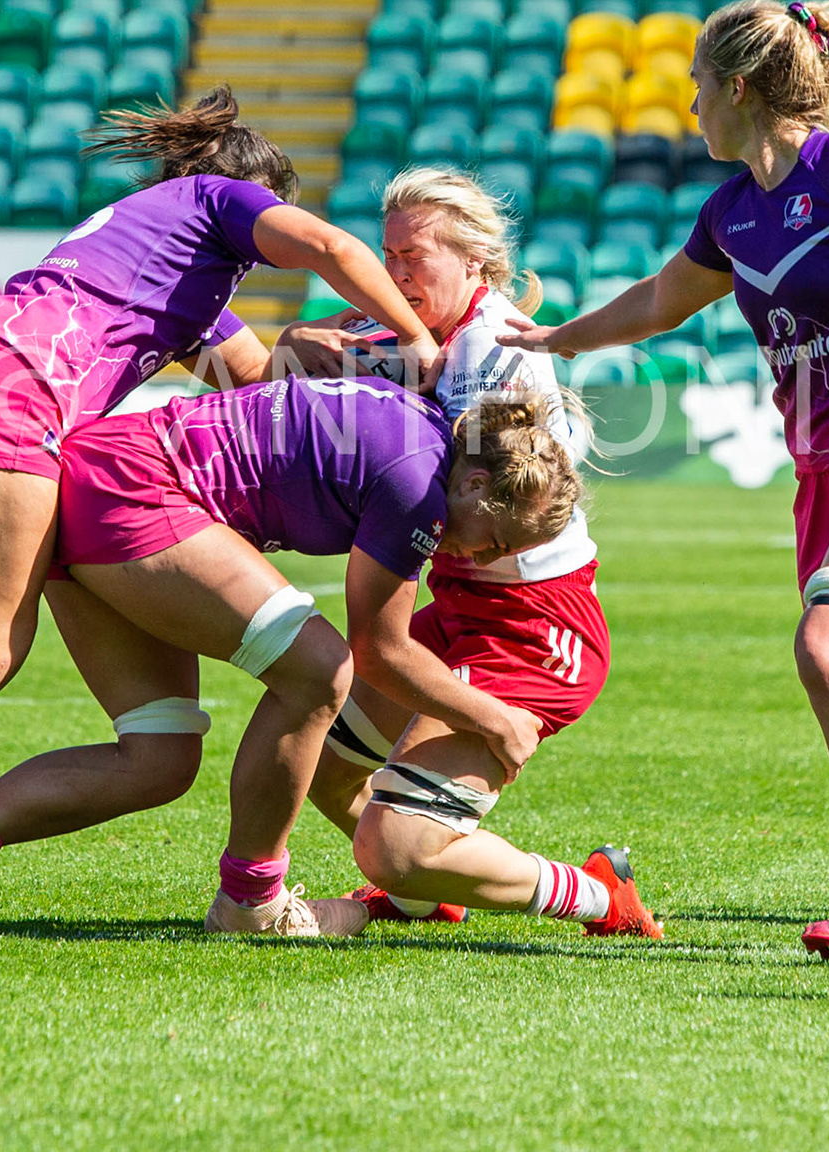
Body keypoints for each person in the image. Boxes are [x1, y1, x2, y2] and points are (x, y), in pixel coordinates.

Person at [0, 87, 442, 934]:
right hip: (14, 387)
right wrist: (414, 336)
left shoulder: (161, 261)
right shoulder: (215, 198)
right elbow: (330, 246)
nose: (253, 263)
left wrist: (330, 346)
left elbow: (256, 382)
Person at [502, 0, 829, 960]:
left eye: (697, 85)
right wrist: (555, 339)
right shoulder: (732, 208)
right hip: (825, 481)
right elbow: (665, 299)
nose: (690, 104)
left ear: (736, 86)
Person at [0, 377, 583, 937]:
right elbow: (381, 651)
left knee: (158, 758)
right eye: (492, 541)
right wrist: (494, 720)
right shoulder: (417, 487)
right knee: (320, 670)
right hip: (137, 493)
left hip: (94, 480)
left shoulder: (422, 427)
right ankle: (251, 900)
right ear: (476, 485)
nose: (480, 559)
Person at [274, 167, 659, 937]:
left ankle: (597, 894)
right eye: (388, 255)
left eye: (413, 256)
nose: (395, 273)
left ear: (474, 261)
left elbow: (464, 505)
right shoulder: (419, 335)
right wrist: (296, 344)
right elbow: (293, 378)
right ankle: (424, 890)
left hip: (532, 626)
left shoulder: (496, 351)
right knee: (318, 768)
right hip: (458, 603)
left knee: (393, 842)